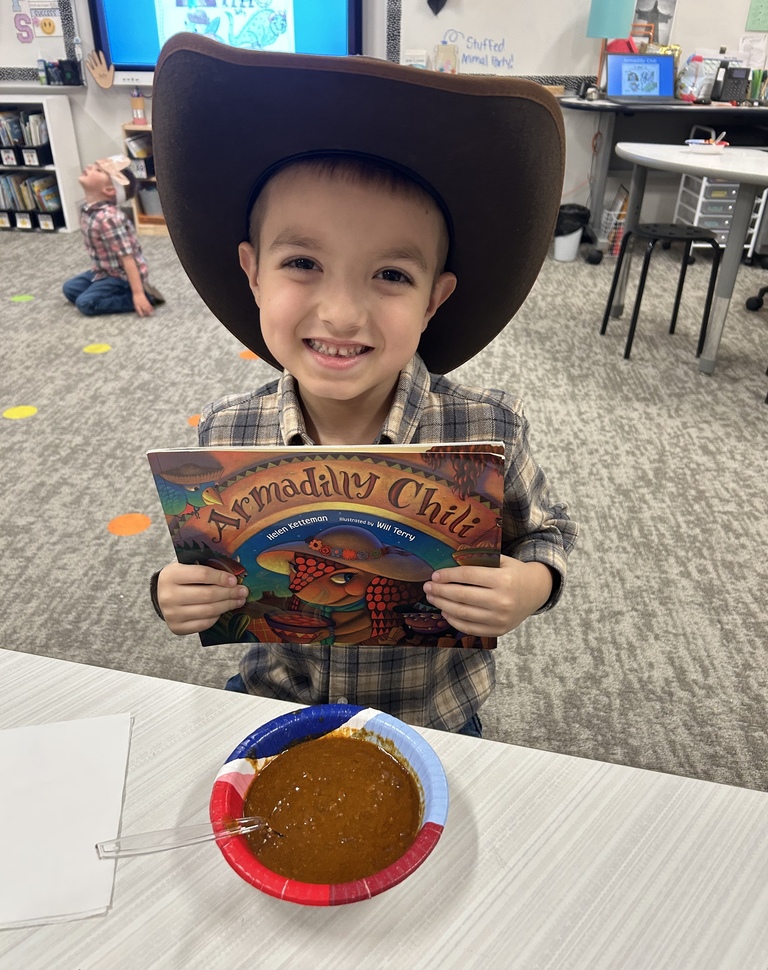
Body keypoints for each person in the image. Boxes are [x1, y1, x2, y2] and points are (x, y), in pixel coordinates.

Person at [149, 35, 579, 737]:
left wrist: (528, 587)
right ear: (252, 272)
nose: (343, 313)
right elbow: (209, 568)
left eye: (391, 275)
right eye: (303, 262)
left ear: (434, 299)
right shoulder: (226, 435)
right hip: (275, 710)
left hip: (429, 721)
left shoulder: (488, 430)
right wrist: (175, 595)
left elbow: (549, 533)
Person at [63, 155, 164, 317]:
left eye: (97, 170)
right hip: (104, 270)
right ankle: (108, 291)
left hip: (122, 276)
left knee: (85, 303)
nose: (89, 166)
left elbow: (128, 258)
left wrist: (137, 294)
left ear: (109, 190)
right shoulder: (89, 210)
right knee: (70, 289)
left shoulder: (109, 219)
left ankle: (145, 296)